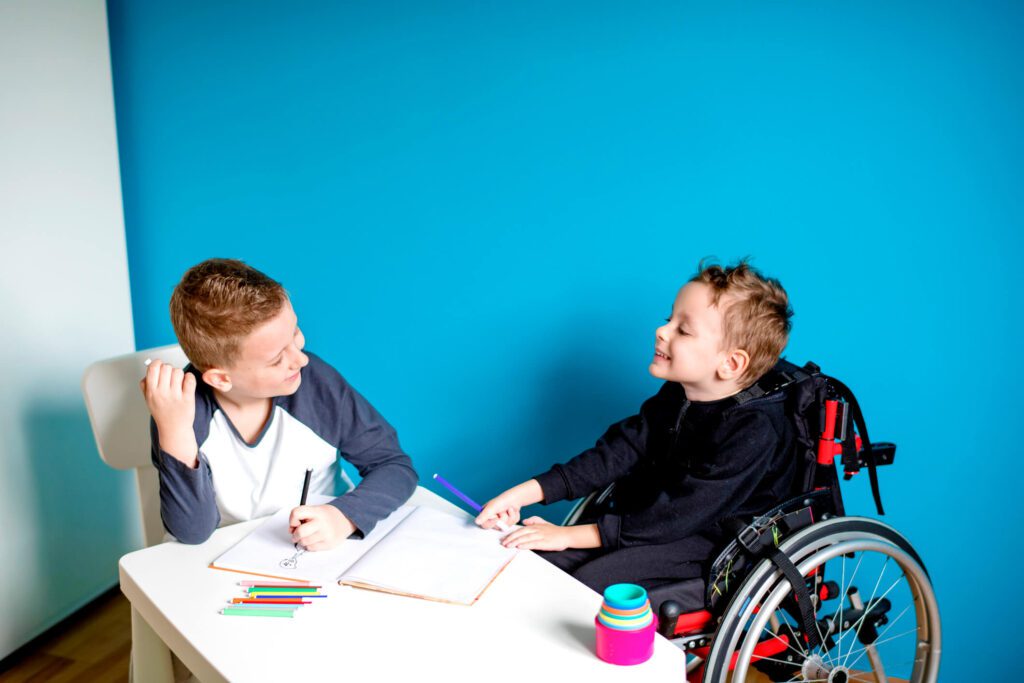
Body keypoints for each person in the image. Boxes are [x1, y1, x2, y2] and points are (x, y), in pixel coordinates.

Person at [475, 261, 796, 592]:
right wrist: (524, 493)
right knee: (538, 562)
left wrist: (568, 534)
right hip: (654, 520)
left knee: (589, 586)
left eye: (683, 330)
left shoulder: (754, 429)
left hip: (715, 541)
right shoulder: (678, 394)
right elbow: (620, 451)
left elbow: (681, 513)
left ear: (730, 363)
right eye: (668, 319)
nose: (662, 331)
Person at [140, 258, 417, 548]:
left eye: (295, 333)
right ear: (221, 379)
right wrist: (174, 433)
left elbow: (394, 465)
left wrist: (342, 517)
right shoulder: (179, 413)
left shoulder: (315, 382)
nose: (301, 359)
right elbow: (192, 531)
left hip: (328, 545)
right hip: (228, 554)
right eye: (276, 360)